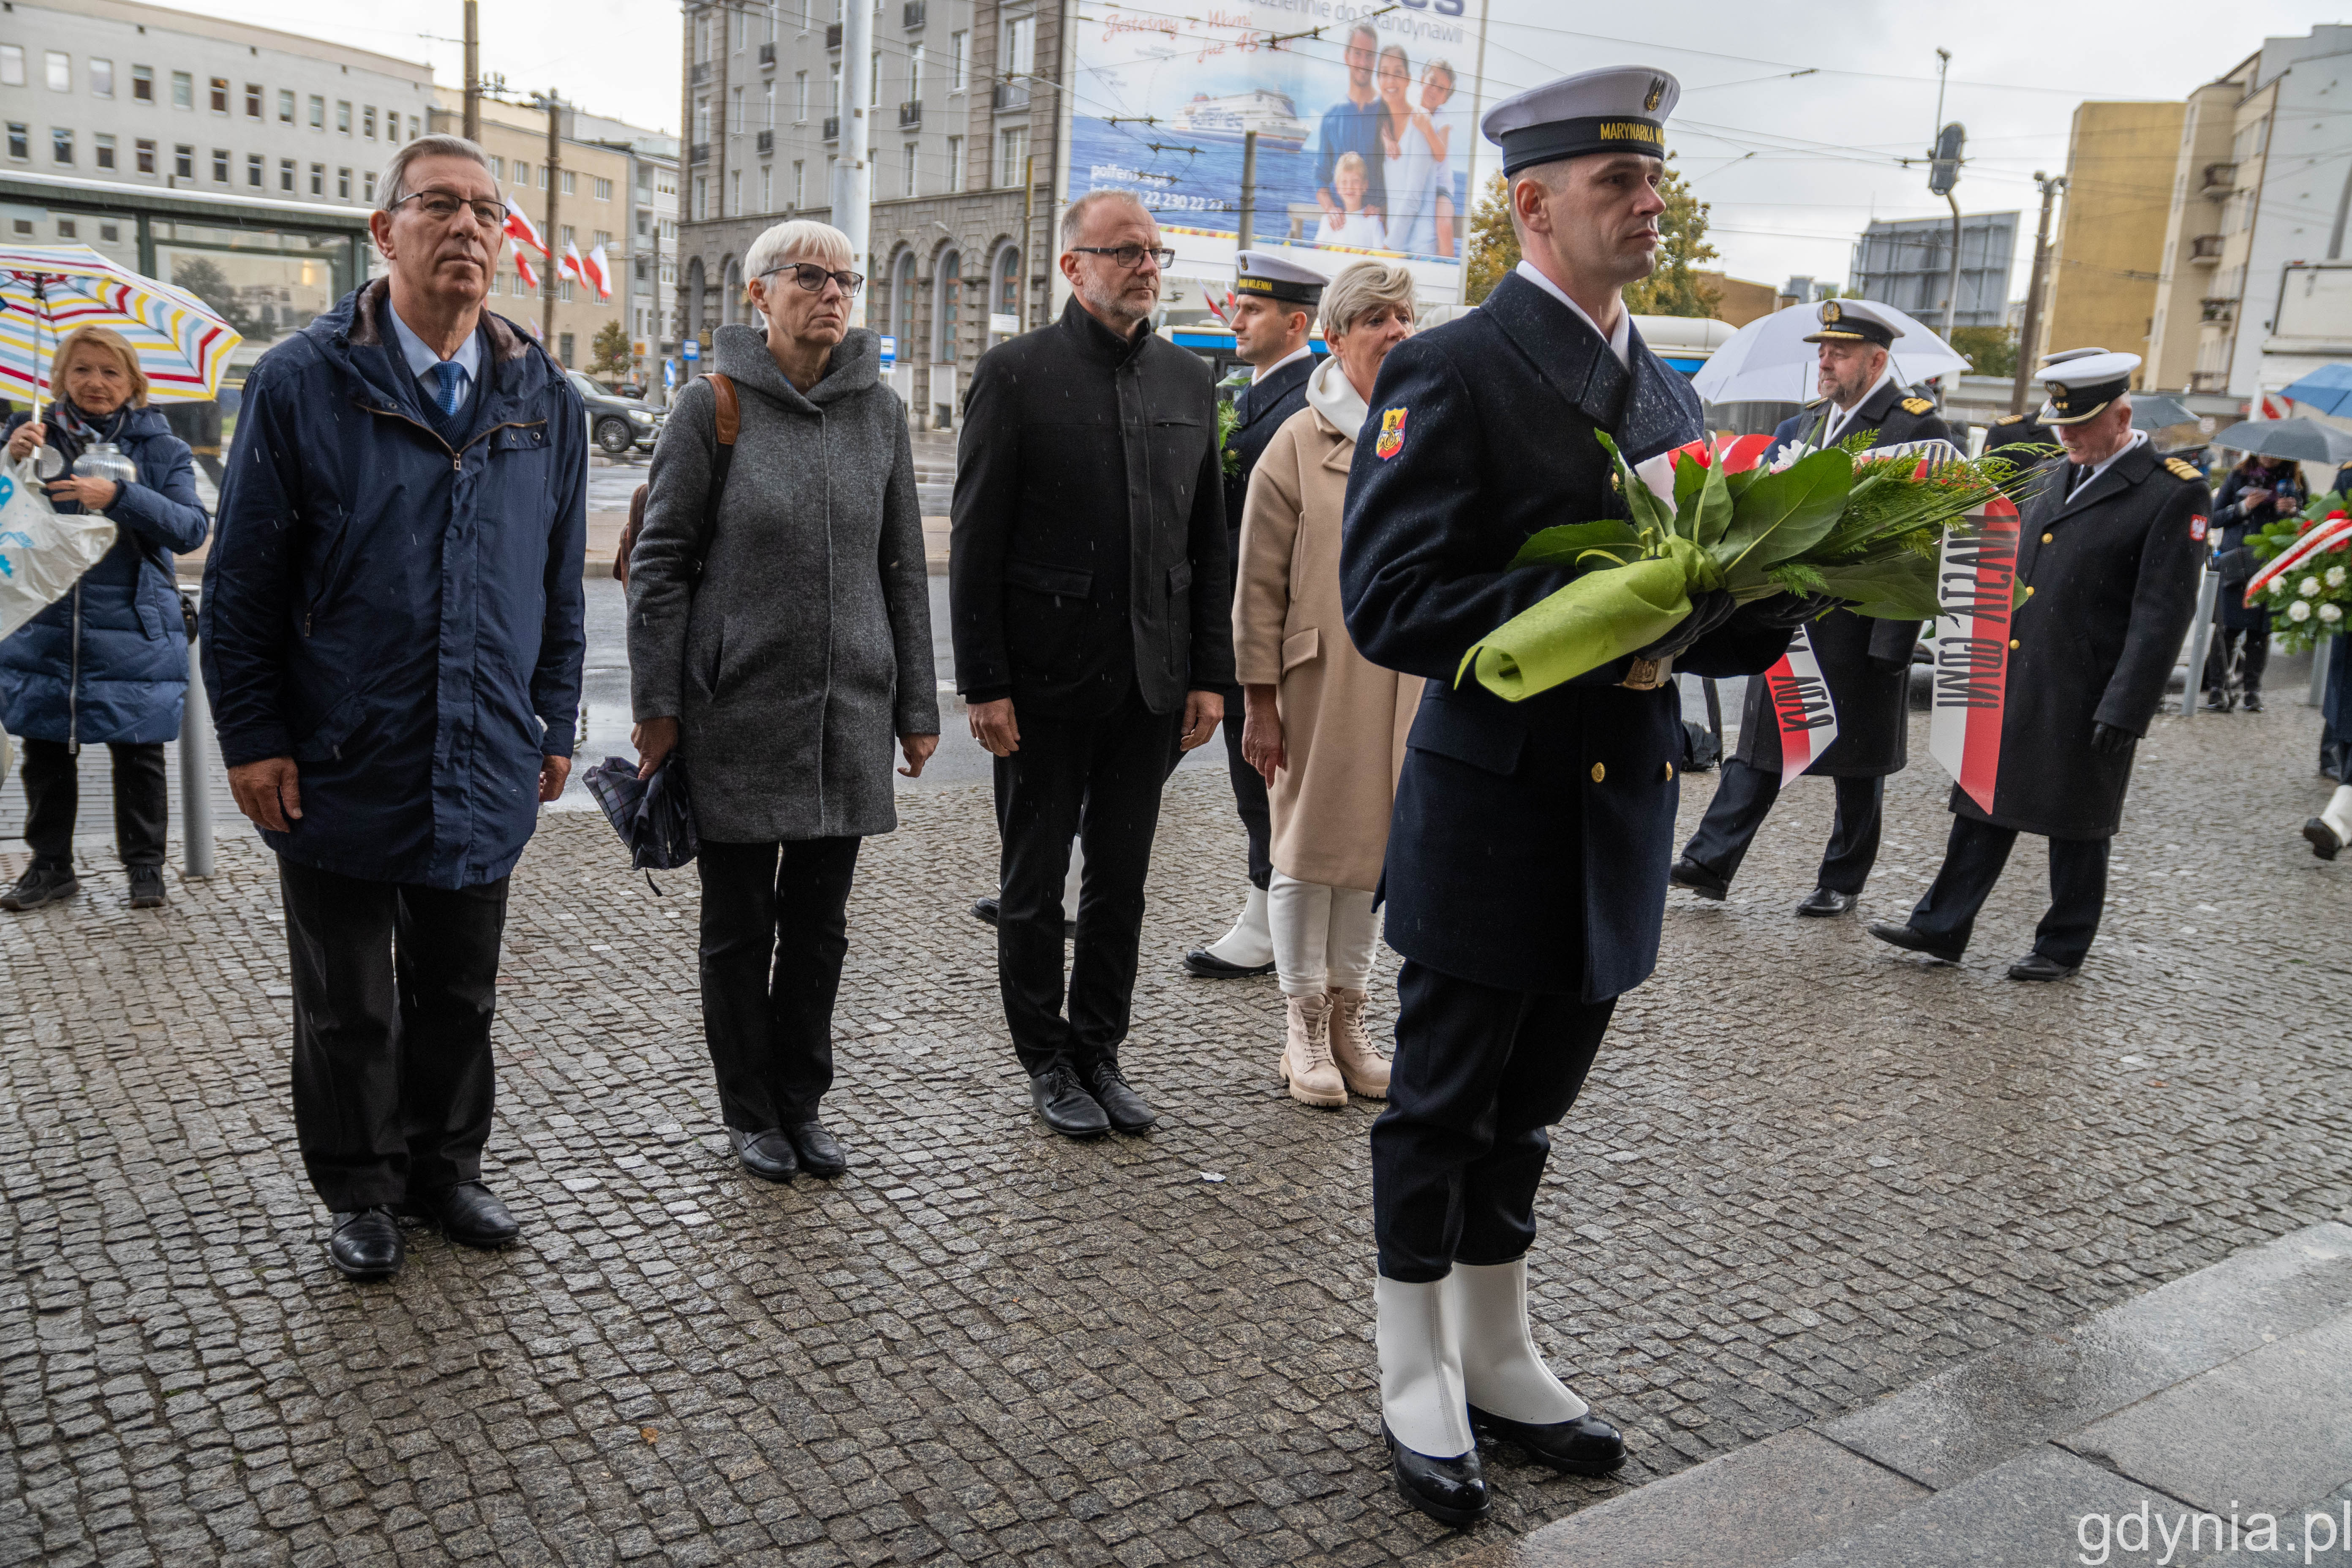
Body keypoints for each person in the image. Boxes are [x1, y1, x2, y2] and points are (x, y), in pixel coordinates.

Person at [1338, 67, 1806, 1525]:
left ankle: (1497, 1348)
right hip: (1491, 808)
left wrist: (1769, 587)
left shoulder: (1664, 384)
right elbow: (1389, 598)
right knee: (1441, 1107)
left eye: (1651, 181)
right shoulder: (1454, 366)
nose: (1646, 204)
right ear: (1532, 205)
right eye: (1617, 184)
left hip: (1614, 809)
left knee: (1530, 1110)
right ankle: (1409, 1364)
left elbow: (1705, 611)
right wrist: (1602, 601)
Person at [202, 134, 587, 1281]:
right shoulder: (302, 381)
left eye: (486, 211)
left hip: (482, 746)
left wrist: (554, 721)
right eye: (439, 206)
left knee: (460, 985)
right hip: (335, 747)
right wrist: (255, 737)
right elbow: (242, 588)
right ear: (385, 231)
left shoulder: (540, 392)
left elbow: (557, 581)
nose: (468, 228)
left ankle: (446, 1170)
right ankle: (361, 1187)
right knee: (348, 999)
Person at [627, 219, 938, 1185]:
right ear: (760, 294)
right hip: (734, 710)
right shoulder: (709, 405)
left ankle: (802, 1101)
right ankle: (748, 1109)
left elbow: (903, 567)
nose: (833, 294)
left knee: (821, 924)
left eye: (846, 279)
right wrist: (658, 707)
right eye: (811, 277)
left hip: (847, 709)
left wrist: (917, 705)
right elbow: (660, 565)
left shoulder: (877, 413)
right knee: (737, 925)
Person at [950, 190, 1233, 1140]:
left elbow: (1209, 543)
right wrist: (983, 680)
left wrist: (1210, 674)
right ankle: (1045, 1059)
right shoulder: (1016, 373)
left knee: (1123, 879)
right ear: (1074, 266)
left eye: (1156, 251)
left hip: (1151, 685)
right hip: (1041, 682)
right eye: (1125, 251)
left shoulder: (1192, 381)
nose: (1146, 265)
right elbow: (976, 538)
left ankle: (1099, 1049)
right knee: (1034, 884)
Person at [1869, 352, 2205, 981]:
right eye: (2061, 422)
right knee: (1980, 803)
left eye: (2081, 423)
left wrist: (2128, 706)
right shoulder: (2052, 473)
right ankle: (1941, 926)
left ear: (2122, 416)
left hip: (2089, 685)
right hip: (2018, 672)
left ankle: (2062, 944)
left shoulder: (2170, 489)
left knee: (2078, 821)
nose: (2067, 435)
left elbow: (2162, 615)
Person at [1671, 298, 1949, 918]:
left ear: (1877, 360)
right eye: (1821, 351)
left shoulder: (1915, 426)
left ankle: (1843, 880)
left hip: (1861, 621)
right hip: (1788, 620)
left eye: (1840, 352)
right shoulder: (1799, 429)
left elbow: (1922, 541)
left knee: (1859, 765)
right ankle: (1710, 861)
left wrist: (1894, 644)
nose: (1825, 362)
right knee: (1761, 749)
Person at [1234, 260, 1420, 1107]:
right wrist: (1258, 700)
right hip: (1316, 680)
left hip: (1402, 683)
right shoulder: (1300, 440)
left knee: (1370, 854)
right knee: (1305, 854)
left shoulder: (1423, 434)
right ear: (1339, 335)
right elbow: (1258, 586)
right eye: (1378, 318)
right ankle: (1301, 1025)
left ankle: (1351, 1017)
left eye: (1406, 316)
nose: (1397, 331)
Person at [0, 326, 210, 913]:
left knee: (138, 750)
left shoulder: (162, 449)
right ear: (61, 377)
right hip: (45, 621)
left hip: (132, 622)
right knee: (44, 749)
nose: (96, 382)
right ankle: (50, 868)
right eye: (83, 370)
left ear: (133, 383)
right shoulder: (31, 437)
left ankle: (146, 870)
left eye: (110, 372)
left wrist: (118, 497)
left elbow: (190, 528)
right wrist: (10, 460)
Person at [1186, 250, 1328, 980]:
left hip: (1270, 619)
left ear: (1295, 322)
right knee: (1253, 773)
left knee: (1264, 772)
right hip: (1241, 612)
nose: (1233, 318)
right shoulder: (1258, 394)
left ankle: (1269, 919)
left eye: (1251, 309)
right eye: (1237, 305)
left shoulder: (1303, 399)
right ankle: (1267, 913)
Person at [2202, 452, 2302, 712]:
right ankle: (2216, 688)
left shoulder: (2295, 482)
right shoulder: (2238, 476)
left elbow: (2306, 524)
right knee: (2227, 628)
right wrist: (2243, 507)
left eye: (2276, 455)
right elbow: (2212, 517)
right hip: (2237, 561)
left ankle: (2252, 691)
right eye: (2265, 453)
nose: (2269, 458)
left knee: (2260, 631)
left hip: (2272, 562)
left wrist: (2292, 513)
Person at [1315, 24, 1388, 231]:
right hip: (1341, 232)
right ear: (1347, 57)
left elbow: (1402, 175)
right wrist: (1331, 209)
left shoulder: (1388, 113)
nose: (1363, 62)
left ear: (1375, 61)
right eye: (1358, 54)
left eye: (1370, 55)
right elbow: (1320, 178)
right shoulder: (1331, 116)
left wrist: (1384, 209)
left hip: (1376, 230)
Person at [1314, 154, 1388, 250]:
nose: (1350, 187)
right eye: (1344, 182)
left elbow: (1380, 257)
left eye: (1355, 181)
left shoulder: (1373, 221)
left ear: (1365, 185)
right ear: (1337, 188)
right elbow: (1316, 253)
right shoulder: (1329, 221)